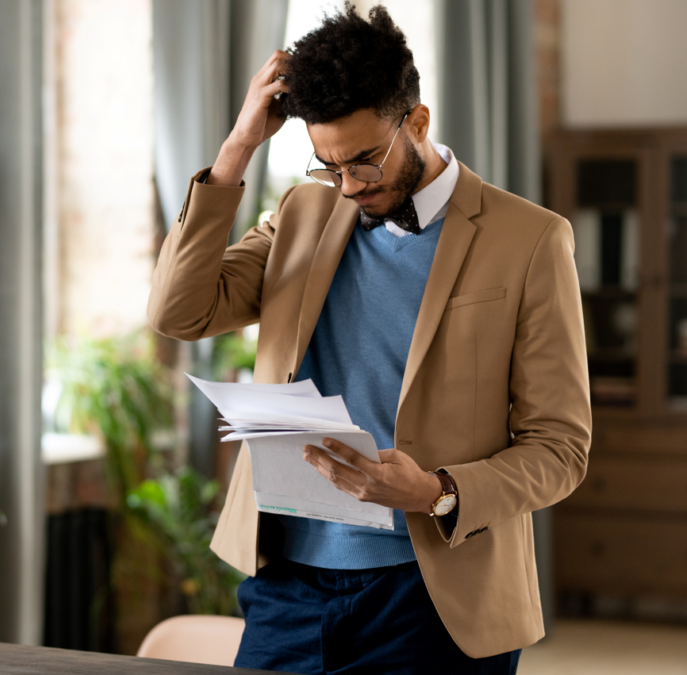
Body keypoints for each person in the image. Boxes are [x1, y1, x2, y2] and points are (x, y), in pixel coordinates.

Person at [147, 4, 591, 674]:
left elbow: (560, 446)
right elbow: (179, 312)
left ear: (416, 121)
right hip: (289, 584)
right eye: (329, 165)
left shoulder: (529, 239)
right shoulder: (303, 211)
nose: (348, 185)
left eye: (363, 161)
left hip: (435, 597)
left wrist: (436, 489)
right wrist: (237, 148)